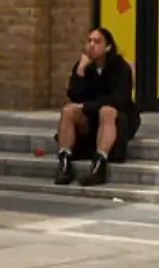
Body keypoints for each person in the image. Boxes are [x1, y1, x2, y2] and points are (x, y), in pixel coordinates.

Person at [56, 27, 137, 186]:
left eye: (97, 41)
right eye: (89, 41)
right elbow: (74, 96)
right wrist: (80, 71)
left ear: (108, 47)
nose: (91, 45)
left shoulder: (121, 68)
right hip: (91, 117)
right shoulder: (85, 66)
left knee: (107, 111)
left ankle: (99, 165)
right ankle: (64, 163)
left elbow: (119, 99)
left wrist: (87, 106)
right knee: (68, 110)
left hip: (118, 118)